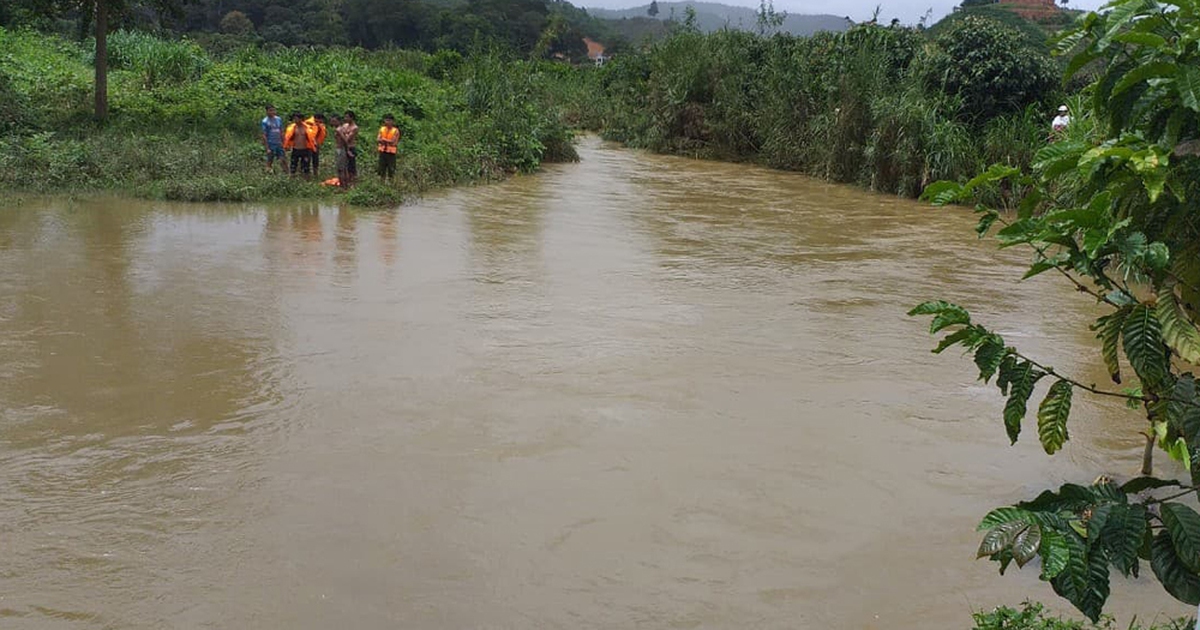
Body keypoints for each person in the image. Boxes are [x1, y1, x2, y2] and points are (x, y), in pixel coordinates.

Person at [284, 112, 316, 179]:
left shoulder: (308, 128)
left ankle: (306, 180)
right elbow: (288, 138)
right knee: (293, 166)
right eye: (294, 119)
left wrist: (314, 146)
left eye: (296, 118)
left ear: (301, 119)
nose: (295, 120)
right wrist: (287, 146)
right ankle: (292, 179)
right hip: (295, 149)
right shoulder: (292, 128)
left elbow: (312, 139)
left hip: (305, 149)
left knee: (306, 167)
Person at [261, 105, 285, 173]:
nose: (273, 112)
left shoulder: (278, 119)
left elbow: (281, 131)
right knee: (270, 159)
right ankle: (268, 172)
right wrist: (267, 147)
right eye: (270, 110)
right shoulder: (265, 121)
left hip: (279, 142)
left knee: (282, 158)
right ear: (267, 111)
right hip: (270, 143)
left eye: (274, 110)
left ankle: (286, 173)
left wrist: (283, 142)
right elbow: (264, 135)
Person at [338, 110, 359, 188]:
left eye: (347, 117)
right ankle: (345, 182)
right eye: (345, 117)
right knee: (344, 166)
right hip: (344, 147)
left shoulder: (354, 127)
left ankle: (353, 183)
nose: (345, 118)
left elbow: (348, 138)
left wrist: (343, 134)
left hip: (351, 147)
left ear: (352, 118)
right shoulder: (345, 125)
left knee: (351, 166)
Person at [377, 114, 400, 182]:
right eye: (386, 120)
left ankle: (391, 183)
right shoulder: (382, 129)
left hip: (391, 153)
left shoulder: (395, 131)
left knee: (391, 169)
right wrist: (385, 141)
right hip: (382, 152)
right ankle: (381, 183)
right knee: (381, 169)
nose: (387, 122)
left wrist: (383, 140)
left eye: (389, 120)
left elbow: (393, 142)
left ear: (392, 122)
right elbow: (378, 139)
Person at [306, 113, 328, 178]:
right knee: (307, 159)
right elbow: (308, 135)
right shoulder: (308, 124)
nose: (322, 122)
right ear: (317, 119)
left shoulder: (319, 125)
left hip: (316, 145)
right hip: (308, 145)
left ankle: (316, 174)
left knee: (315, 159)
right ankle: (306, 174)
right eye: (321, 120)